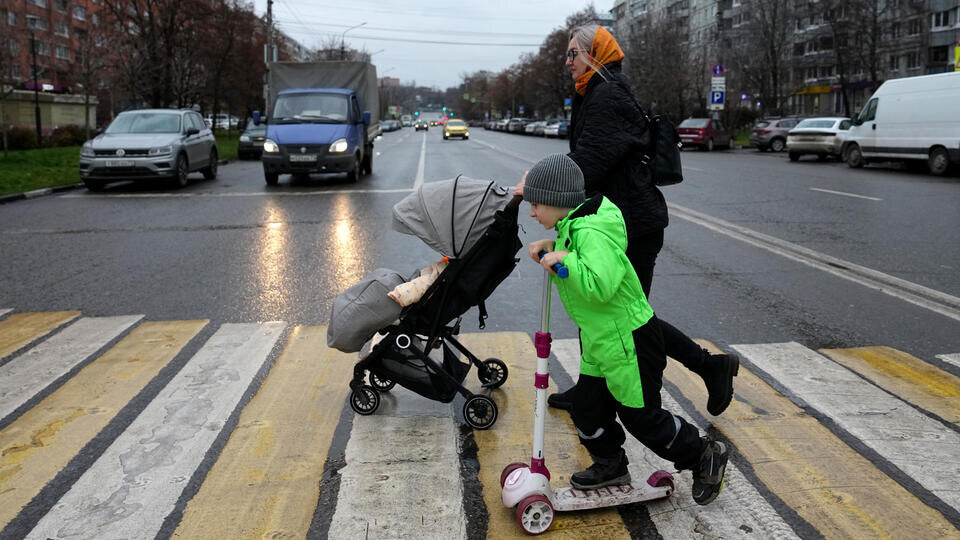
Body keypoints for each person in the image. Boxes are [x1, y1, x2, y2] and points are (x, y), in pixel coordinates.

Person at [517, 24, 739, 416]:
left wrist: (540, 183)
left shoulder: (608, 95)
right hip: (608, 220)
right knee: (601, 309)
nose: (567, 61)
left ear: (594, 54)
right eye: (567, 54)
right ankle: (590, 389)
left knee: (630, 319)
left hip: (629, 225)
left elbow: (591, 160)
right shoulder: (594, 92)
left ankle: (710, 366)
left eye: (573, 53)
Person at [523, 153, 728, 504]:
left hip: (629, 340)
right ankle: (610, 464)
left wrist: (564, 259)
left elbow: (600, 285)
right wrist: (556, 248)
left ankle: (703, 453)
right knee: (586, 409)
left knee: (642, 418)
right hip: (603, 340)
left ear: (558, 201)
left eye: (536, 204)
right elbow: (583, 261)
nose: (531, 212)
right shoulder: (572, 225)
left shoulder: (590, 231)